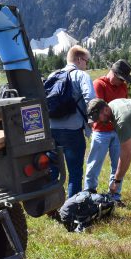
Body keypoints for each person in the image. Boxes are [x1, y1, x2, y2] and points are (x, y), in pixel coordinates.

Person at [48, 45, 95, 198]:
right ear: (79, 59)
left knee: (53, 170)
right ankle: (72, 209)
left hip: (51, 129)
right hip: (73, 130)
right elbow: (91, 99)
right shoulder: (81, 76)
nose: (87, 65)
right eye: (87, 61)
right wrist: (92, 121)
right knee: (75, 172)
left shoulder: (53, 75)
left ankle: (51, 206)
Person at [83, 59, 131, 202]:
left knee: (118, 165)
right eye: (120, 78)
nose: (122, 82)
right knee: (94, 164)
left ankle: (114, 196)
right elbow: (101, 111)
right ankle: (89, 194)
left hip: (118, 132)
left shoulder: (123, 87)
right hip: (101, 132)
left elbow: (125, 106)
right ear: (113, 73)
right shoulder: (99, 84)